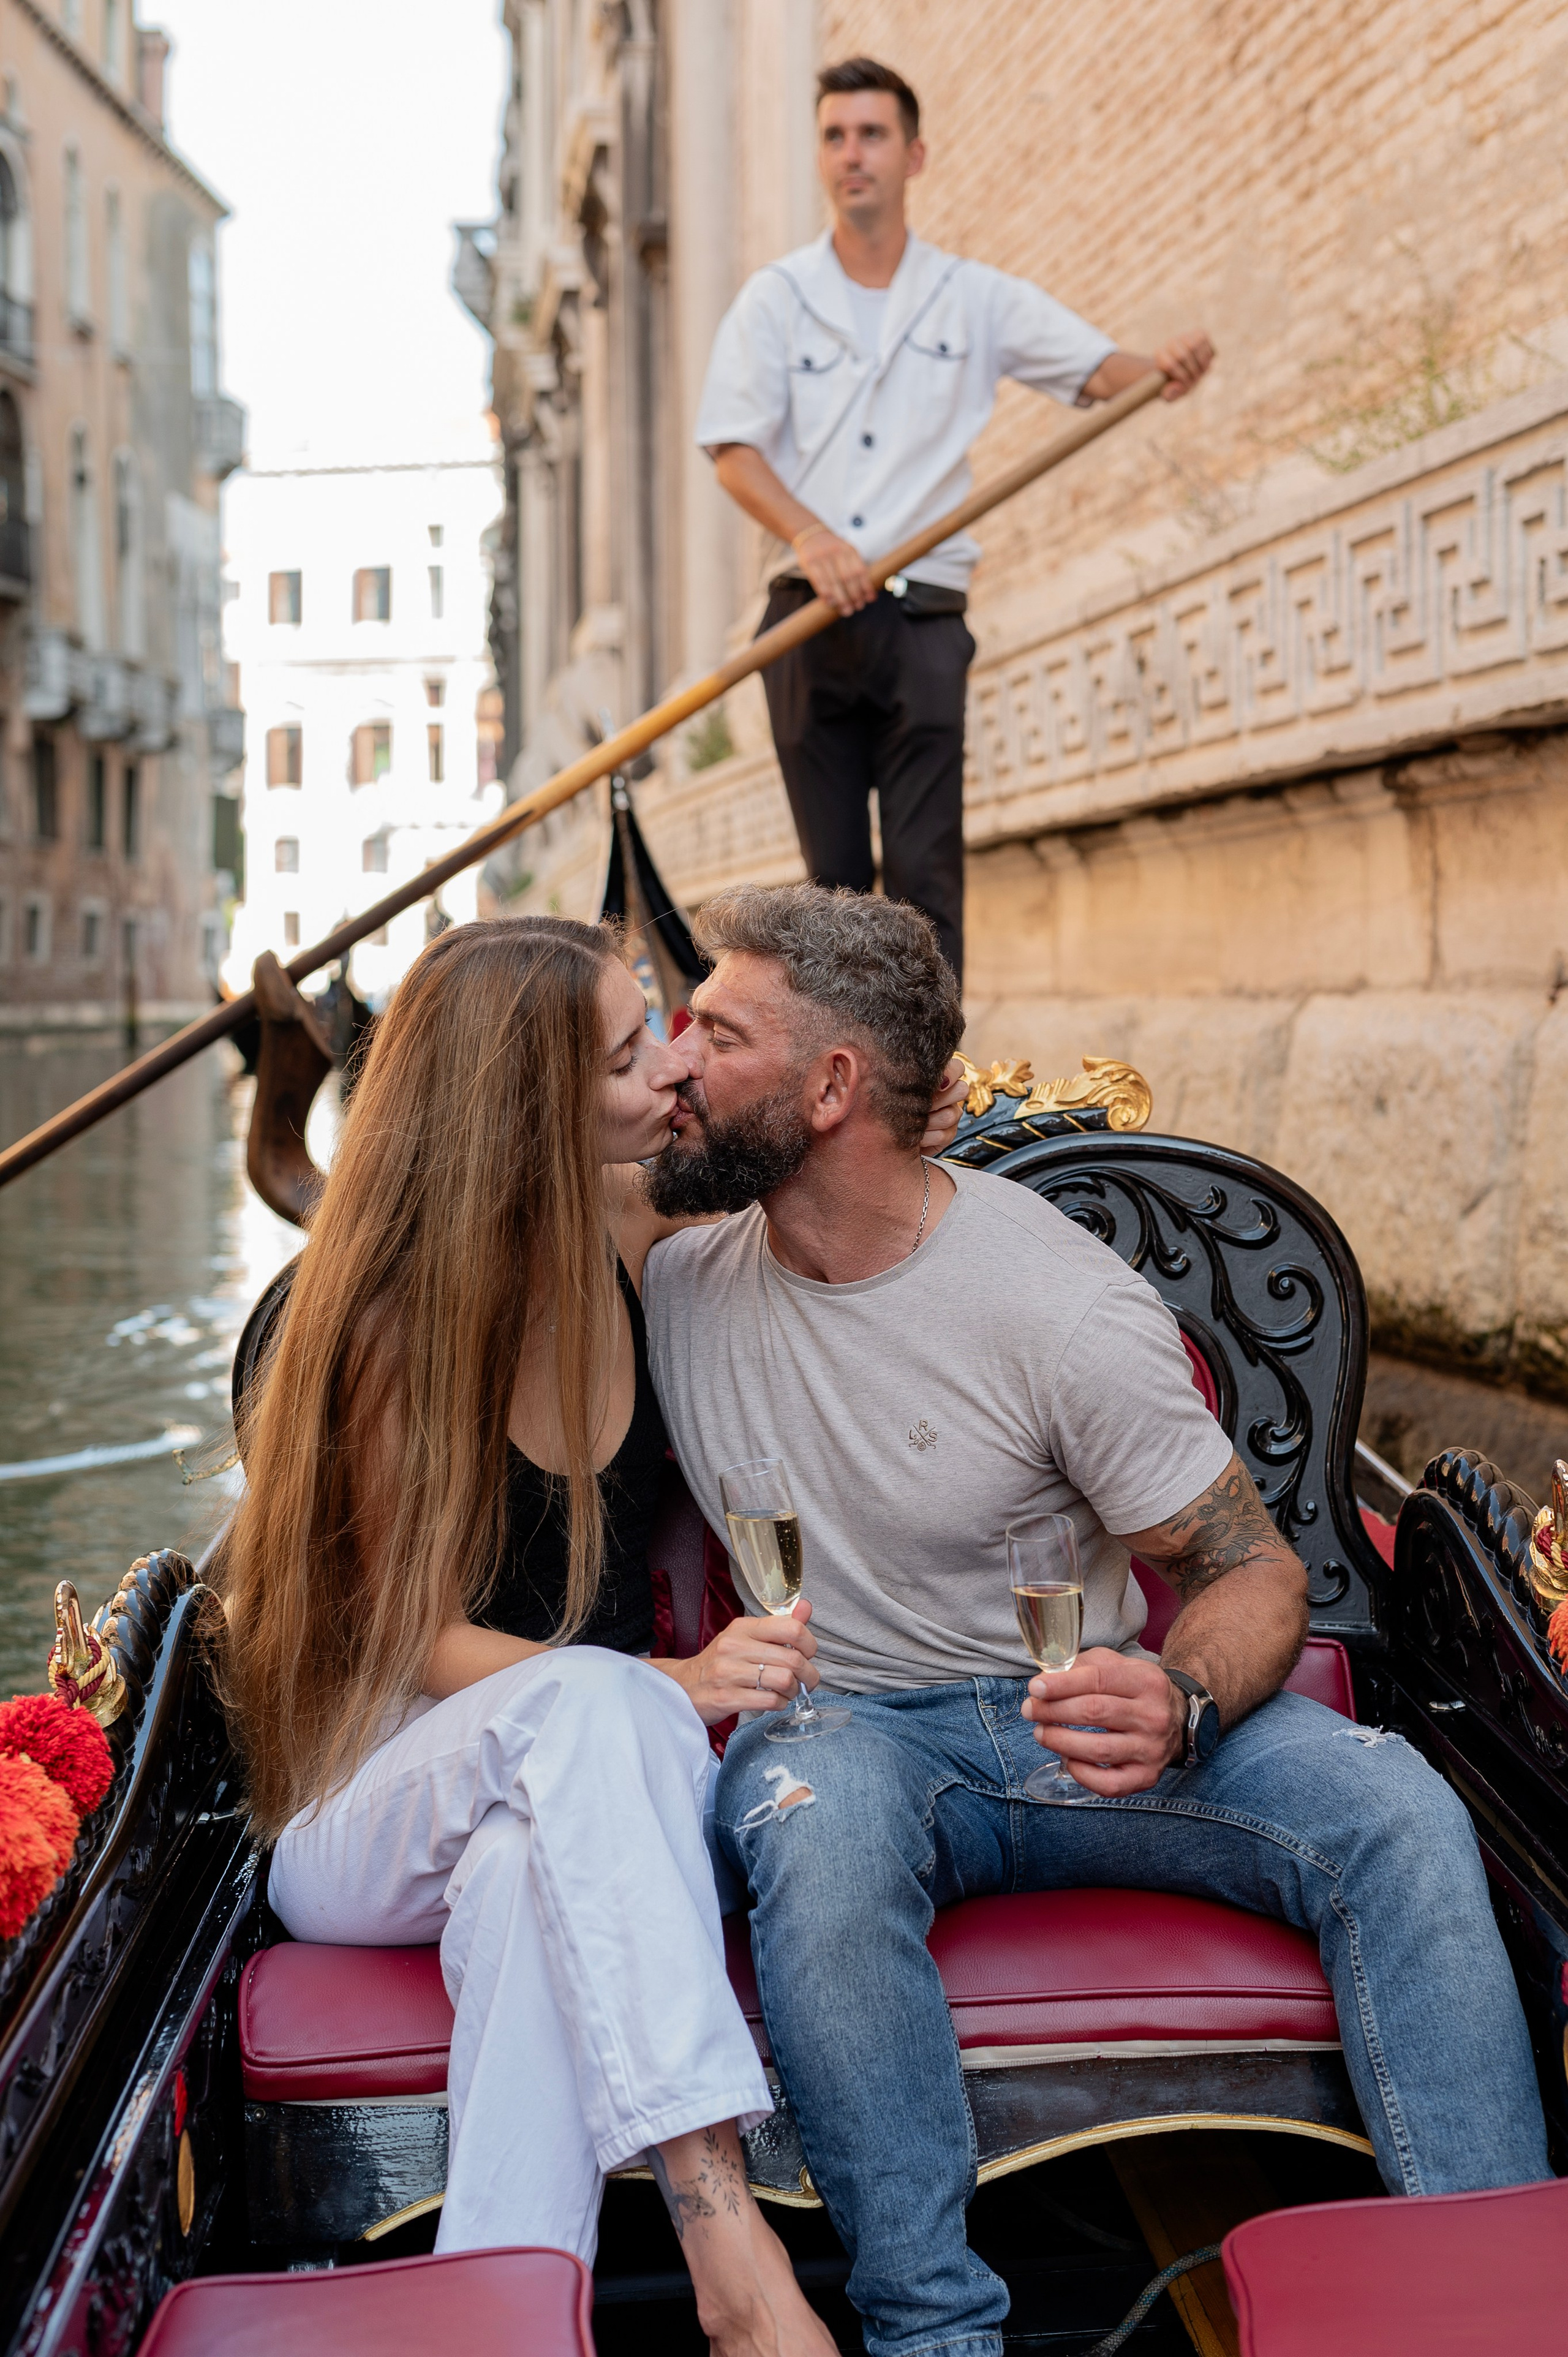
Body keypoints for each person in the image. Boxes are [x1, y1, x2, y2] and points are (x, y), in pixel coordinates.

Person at [639, 881, 1551, 2357]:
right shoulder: (672, 1266)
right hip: (850, 1731)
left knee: (1391, 1802)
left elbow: (1256, 1574)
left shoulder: (1055, 1307)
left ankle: (1489, 2313)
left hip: (1078, 1712)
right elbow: (479, 1176)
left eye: (715, 1032)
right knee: (811, 1817)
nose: (675, 1059)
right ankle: (933, 2336)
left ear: (827, 1088)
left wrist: (1179, 1699)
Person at [695, 56, 1213, 983]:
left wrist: (1162, 367)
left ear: (914, 155)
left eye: (873, 135)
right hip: (807, 619)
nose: (853, 155)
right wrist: (814, 539)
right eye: (835, 136)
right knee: (831, 898)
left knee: (929, 884)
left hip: (925, 619)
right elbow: (733, 450)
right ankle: (839, 1106)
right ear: (822, 157)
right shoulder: (775, 299)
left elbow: (1101, 372)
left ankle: (932, 1103)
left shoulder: (973, 296)